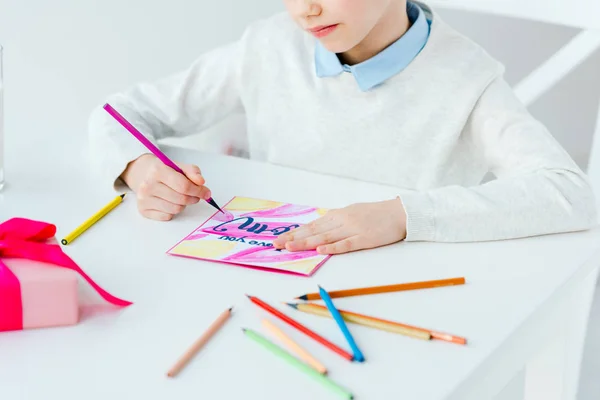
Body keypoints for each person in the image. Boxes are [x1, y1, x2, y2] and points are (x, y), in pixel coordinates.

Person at [87, 0, 598, 255]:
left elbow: (570, 192)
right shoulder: (268, 47)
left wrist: (404, 216)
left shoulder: (467, 79)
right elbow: (119, 114)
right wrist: (139, 167)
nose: (306, 9)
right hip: (271, 287)